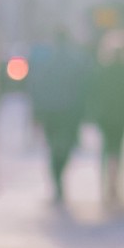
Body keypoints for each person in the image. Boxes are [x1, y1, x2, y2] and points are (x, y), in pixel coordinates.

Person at [26, 27, 87, 205]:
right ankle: (59, 180)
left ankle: (57, 180)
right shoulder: (74, 61)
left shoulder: (48, 61)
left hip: (53, 112)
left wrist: (37, 112)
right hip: (68, 113)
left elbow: (37, 87)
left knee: (54, 148)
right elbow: (82, 88)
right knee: (64, 147)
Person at [86, 28, 124, 210]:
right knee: (117, 151)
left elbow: (94, 95)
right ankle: (115, 185)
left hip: (105, 117)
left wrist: (92, 114)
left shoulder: (102, 72)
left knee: (105, 151)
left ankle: (106, 185)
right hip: (120, 118)